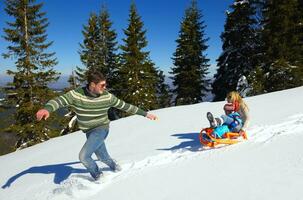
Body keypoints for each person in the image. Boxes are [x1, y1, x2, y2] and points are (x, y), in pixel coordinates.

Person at [36, 70, 158, 181]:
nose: (105, 87)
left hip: (101, 129)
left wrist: (145, 114)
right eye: (102, 85)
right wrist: (47, 109)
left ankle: (98, 176)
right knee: (102, 157)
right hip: (88, 131)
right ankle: (115, 166)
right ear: (92, 84)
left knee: (84, 156)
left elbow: (125, 106)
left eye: (105, 84)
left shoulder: (107, 97)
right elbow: (59, 100)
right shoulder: (76, 95)